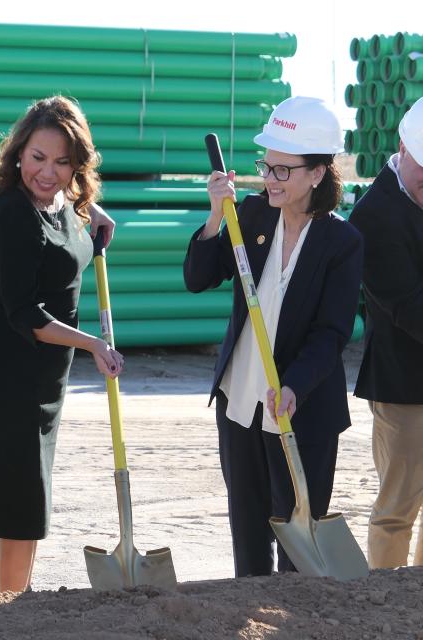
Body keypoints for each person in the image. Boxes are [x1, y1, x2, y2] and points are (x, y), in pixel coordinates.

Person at [183, 96, 363, 577]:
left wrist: (294, 386)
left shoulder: (342, 243)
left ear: (318, 173)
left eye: (284, 171)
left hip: (300, 408)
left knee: (297, 546)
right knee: (248, 532)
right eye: (267, 166)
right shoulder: (253, 216)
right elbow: (198, 278)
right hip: (240, 400)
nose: (270, 179)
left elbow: (331, 333)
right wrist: (215, 216)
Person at [0, 96, 121, 592]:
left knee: (30, 496)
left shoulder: (61, 204)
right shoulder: (11, 213)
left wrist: (93, 224)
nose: (48, 172)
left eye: (62, 161)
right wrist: (93, 343)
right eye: (37, 159)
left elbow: (63, 239)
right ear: (18, 155)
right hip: (6, 369)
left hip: (44, 371)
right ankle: (10, 605)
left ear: (78, 163)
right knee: (20, 503)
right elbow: (25, 313)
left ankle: (16, 598)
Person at [349, 97, 423, 569]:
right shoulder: (374, 216)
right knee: (398, 510)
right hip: (404, 388)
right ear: (402, 148)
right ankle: (387, 606)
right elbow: (408, 308)